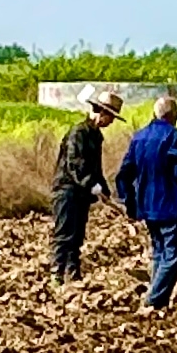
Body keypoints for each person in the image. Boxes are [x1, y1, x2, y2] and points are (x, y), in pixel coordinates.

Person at [112, 89, 177, 310]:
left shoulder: (139, 137)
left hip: (147, 205)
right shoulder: (175, 137)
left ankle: (159, 303)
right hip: (169, 205)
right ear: (174, 115)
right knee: (174, 255)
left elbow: (123, 174)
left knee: (160, 253)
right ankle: (153, 301)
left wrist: (129, 201)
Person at [49, 87, 124, 285]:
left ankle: (73, 274)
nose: (111, 122)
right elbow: (75, 165)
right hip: (66, 191)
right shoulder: (78, 133)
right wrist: (92, 185)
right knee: (64, 234)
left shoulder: (96, 136)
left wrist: (104, 189)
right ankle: (57, 276)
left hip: (81, 194)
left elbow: (96, 167)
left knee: (77, 235)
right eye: (111, 117)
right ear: (102, 113)